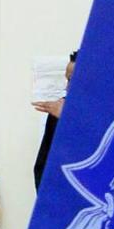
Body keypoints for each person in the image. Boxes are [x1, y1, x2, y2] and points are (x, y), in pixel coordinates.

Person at [33, 50, 77, 190]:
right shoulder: (58, 111)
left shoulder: (110, 115)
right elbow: (42, 167)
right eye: (67, 80)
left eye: (71, 79)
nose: (67, 87)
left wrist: (70, 119)